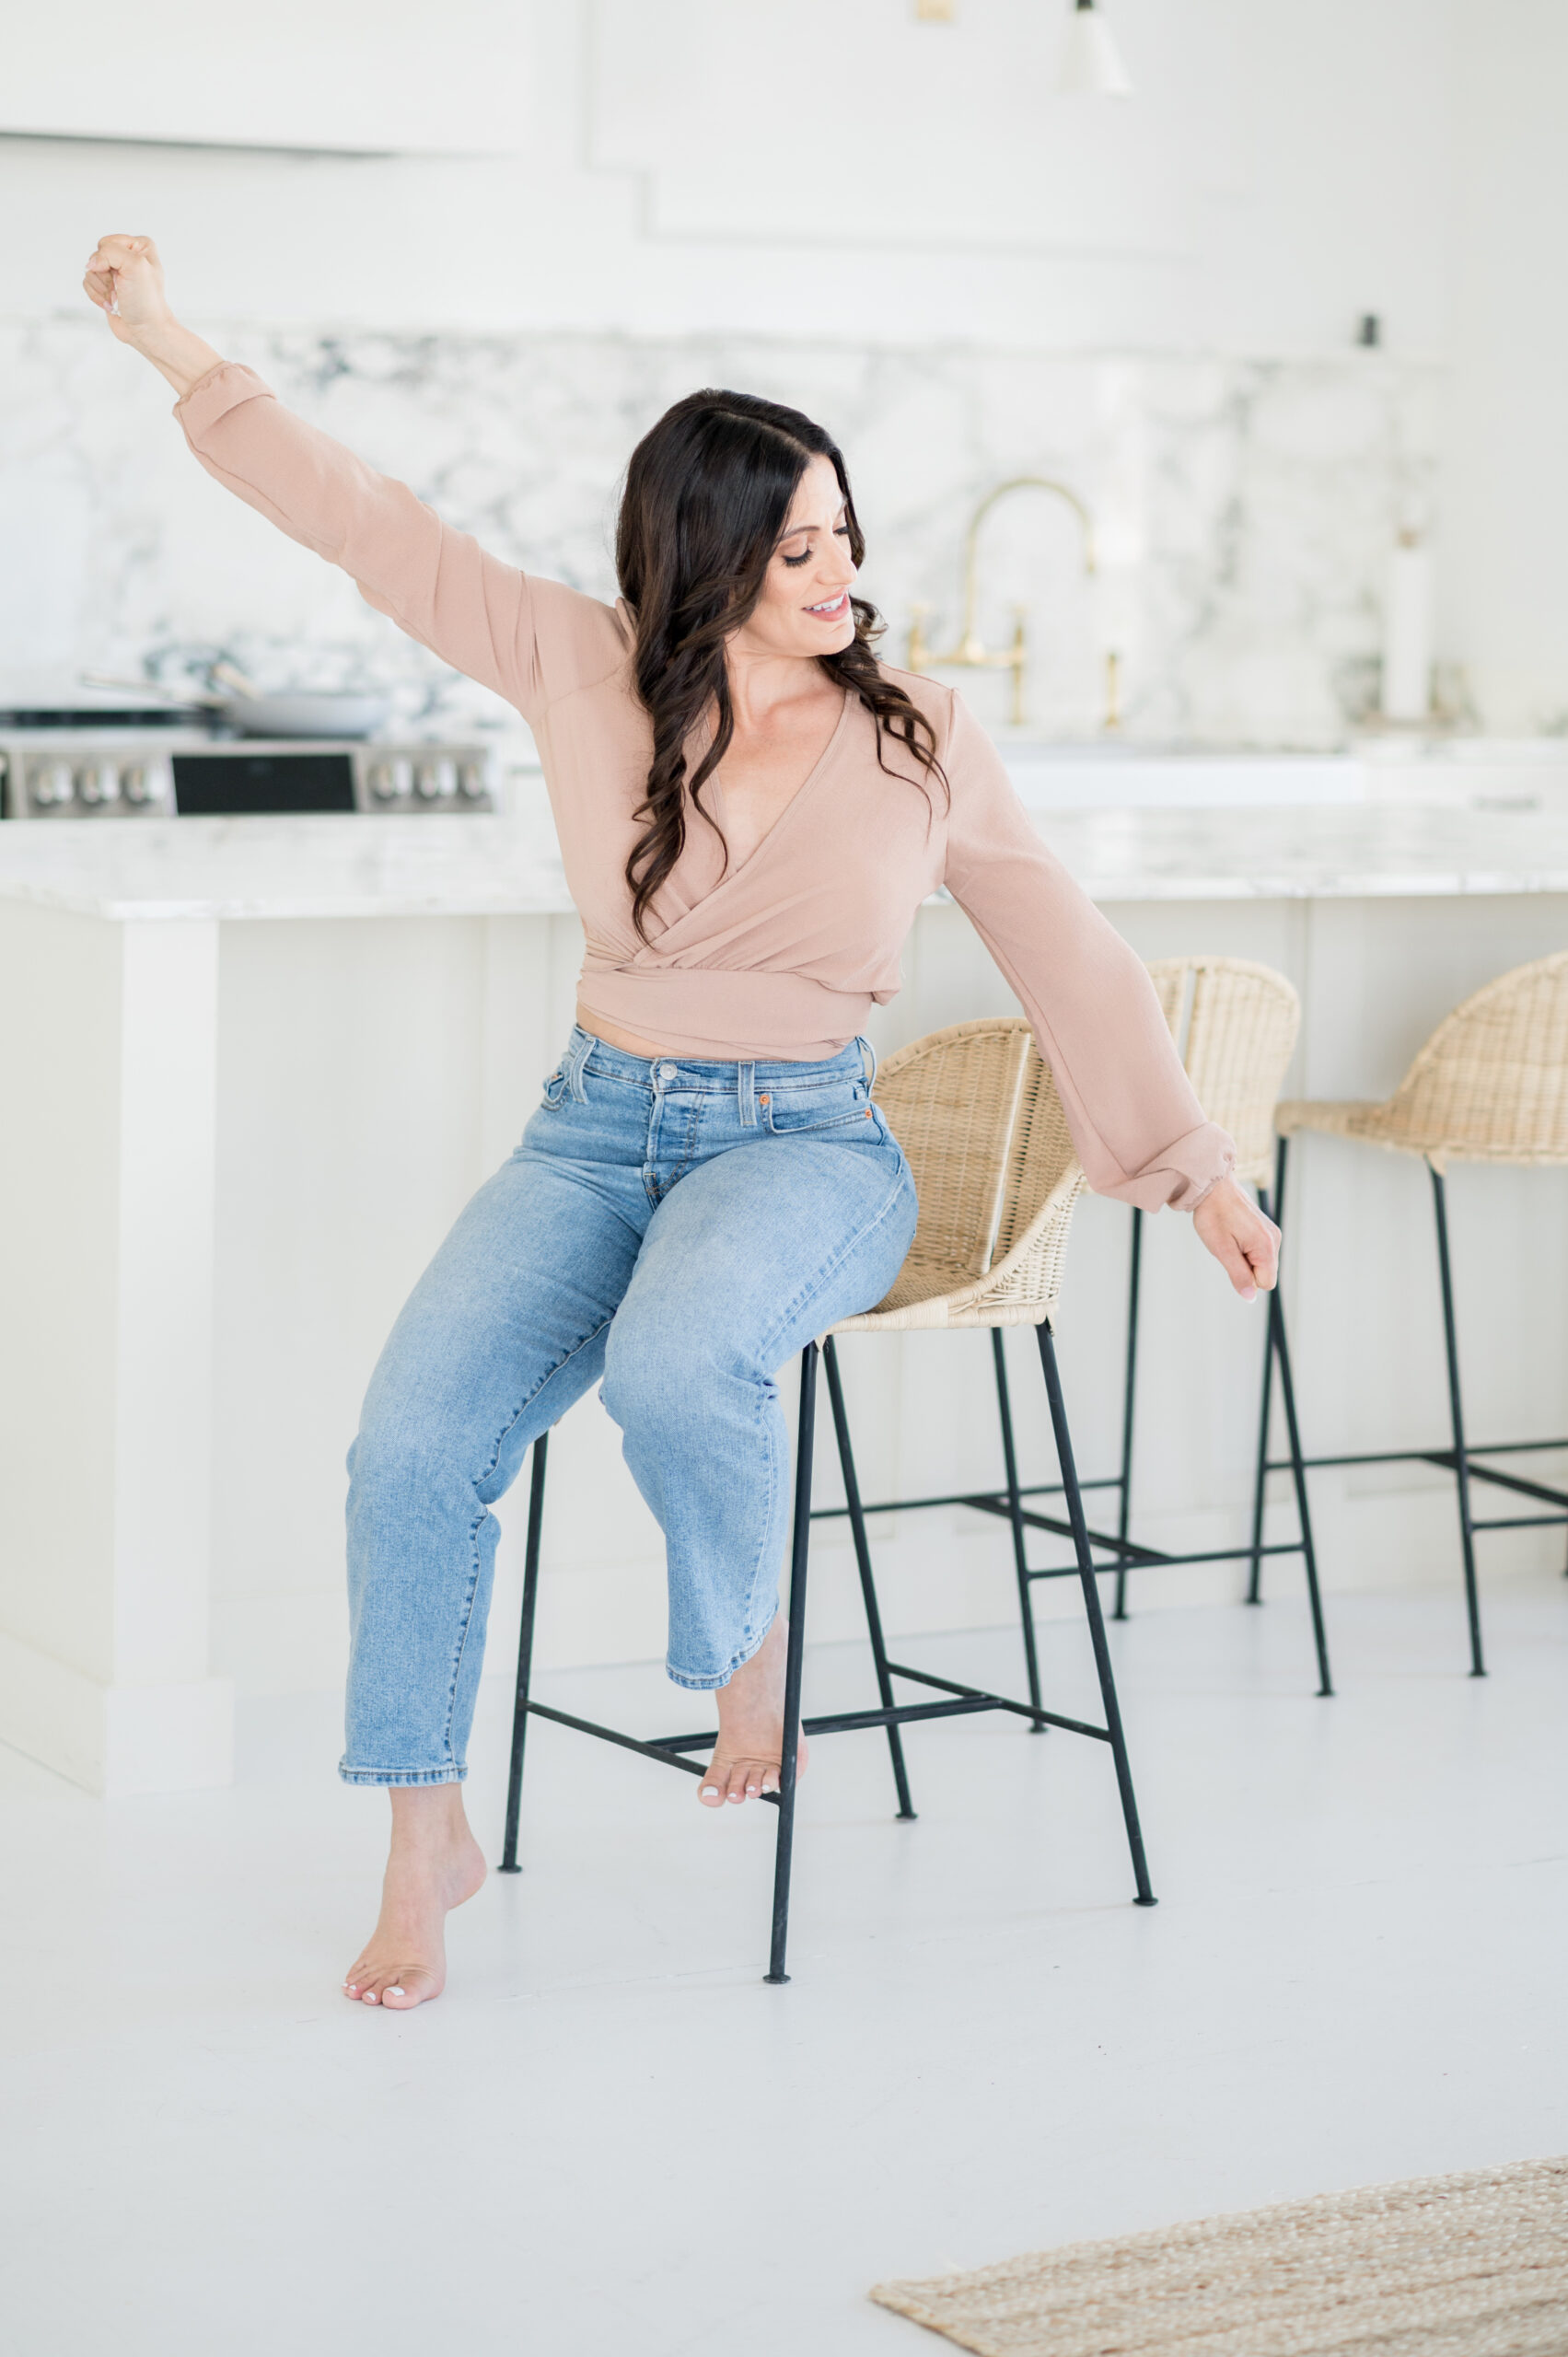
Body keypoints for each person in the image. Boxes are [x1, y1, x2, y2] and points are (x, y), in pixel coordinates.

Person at [84, 234, 1279, 2011]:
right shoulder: (582, 665)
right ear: (706, 551)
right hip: (591, 1133)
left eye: (848, 535)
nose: (843, 571)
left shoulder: (919, 735)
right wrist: (166, 337)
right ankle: (425, 1832)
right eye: (800, 545)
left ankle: (745, 1649)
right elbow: (365, 521)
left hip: (808, 1148)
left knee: (677, 1364)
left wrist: (1192, 1168)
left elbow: (1057, 936)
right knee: (407, 1449)